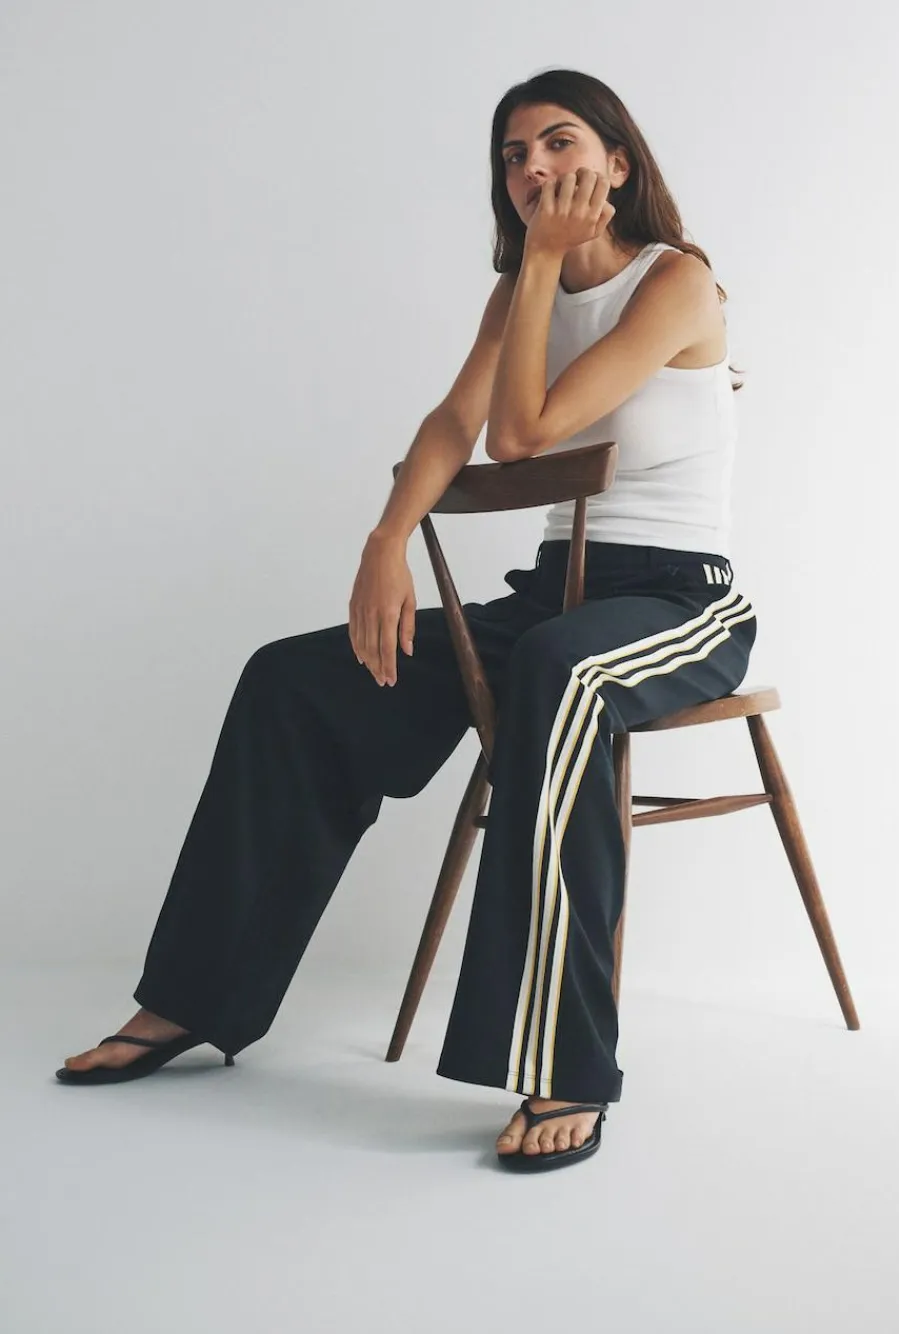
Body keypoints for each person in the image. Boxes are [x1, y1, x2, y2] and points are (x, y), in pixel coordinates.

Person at [55, 69, 757, 1174]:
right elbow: (455, 420)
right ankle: (196, 995)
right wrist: (384, 540)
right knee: (292, 679)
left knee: (562, 674)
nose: (532, 168)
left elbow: (519, 437)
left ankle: (565, 1060)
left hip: (678, 599)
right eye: (513, 155)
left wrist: (536, 266)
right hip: (553, 599)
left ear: (617, 163)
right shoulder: (519, 294)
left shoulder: (676, 281)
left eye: (558, 143)